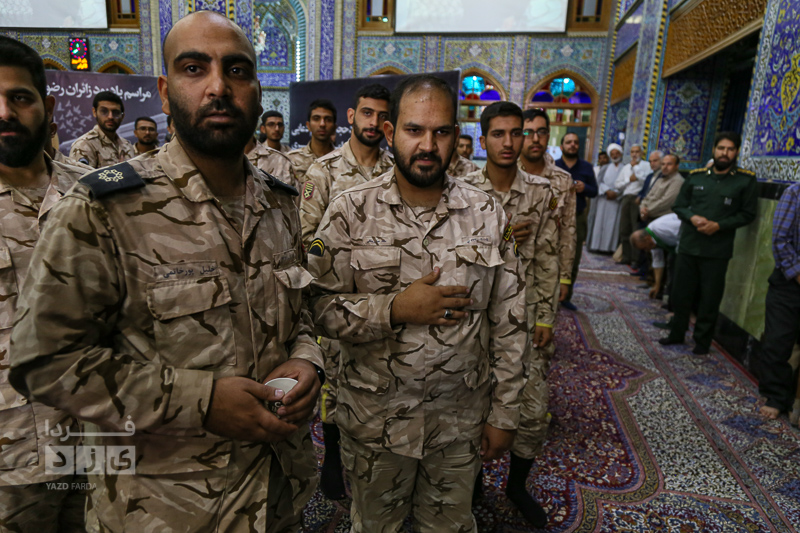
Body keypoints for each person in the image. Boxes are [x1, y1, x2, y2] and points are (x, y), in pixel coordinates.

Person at [9, 12, 324, 532]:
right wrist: (200, 402)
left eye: (237, 71)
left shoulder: (280, 203)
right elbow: (42, 361)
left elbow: (301, 314)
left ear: (256, 91)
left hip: (278, 494)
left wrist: (307, 361)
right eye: (194, 68)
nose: (218, 87)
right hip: (164, 510)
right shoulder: (103, 207)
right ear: (164, 91)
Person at [308, 74, 527, 532]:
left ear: (456, 136)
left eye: (441, 132)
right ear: (390, 133)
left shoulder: (486, 213)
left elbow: (510, 320)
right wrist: (393, 309)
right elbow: (317, 309)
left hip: (458, 422)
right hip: (374, 424)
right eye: (414, 130)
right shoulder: (350, 210)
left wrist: (506, 413)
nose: (428, 145)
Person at [0, 35, 87, 533]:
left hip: (101, 443)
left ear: (47, 107)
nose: (5, 112)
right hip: (11, 462)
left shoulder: (95, 192)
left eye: (19, 97)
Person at [462, 101, 556, 528]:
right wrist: (497, 234)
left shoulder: (540, 190)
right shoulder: (462, 187)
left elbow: (549, 256)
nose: (509, 142)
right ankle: (473, 481)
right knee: (471, 402)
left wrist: (547, 317)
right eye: (498, 134)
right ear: (483, 141)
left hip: (525, 312)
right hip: (474, 311)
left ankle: (517, 485)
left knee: (532, 409)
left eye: (516, 133)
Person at [299, 82, 394, 500]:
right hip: (340, 299)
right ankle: (334, 459)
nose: (374, 122)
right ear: (352, 117)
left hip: (387, 300)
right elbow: (307, 238)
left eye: (382, 116)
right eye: (367, 113)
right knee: (335, 384)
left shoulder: (396, 171)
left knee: (382, 379)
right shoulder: (324, 171)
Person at [658, 132, 757, 355]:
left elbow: (748, 214)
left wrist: (719, 225)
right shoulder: (697, 177)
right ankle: (676, 332)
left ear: (737, 152)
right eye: (721, 148)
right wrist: (692, 217)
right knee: (680, 293)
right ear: (714, 150)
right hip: (689, 245)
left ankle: (702, 341)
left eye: (730, 149)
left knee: (710, 299)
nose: (725, 153)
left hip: (717, 250)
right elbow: (679, 206)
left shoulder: (745, 180)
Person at [518, 109, 577, 309]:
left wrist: (565, 277)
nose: (535, 139)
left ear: (548, 135)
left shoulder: (563, 180)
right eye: (528, 132)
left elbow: (568, 230)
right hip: (509, 270)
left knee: (542, 326)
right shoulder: (507, 174)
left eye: (541, 132)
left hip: (546, 273)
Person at [758, 182, 800, 421]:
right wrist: (798, 273)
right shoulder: (794, 193)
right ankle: (776, 397)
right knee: (778, 341)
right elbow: (780, 240)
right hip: (789, 281)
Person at [556, 132, 598, 310]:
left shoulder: (586, 167)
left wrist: (584, 187)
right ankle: (548, 293)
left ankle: (566, 296)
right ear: (562, 147)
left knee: (573, 256)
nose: (572, 145)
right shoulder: (554, 166)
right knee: (551, 255)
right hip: (556, 218)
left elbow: (594, 191)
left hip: (578, 217)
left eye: (575, 142)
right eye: (568, 142)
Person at [69, 90, 135, 168]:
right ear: (94, 112)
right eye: (104, 111)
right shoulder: (84, 145)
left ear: (122, 116)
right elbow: (81, 175)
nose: (110, 116)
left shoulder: (127, 146)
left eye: (115, 112)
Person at [614, 144, 651, 265]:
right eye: (632, 152)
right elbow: (617, 185)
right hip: (626, 198)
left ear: (642, 153)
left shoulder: (646, 166)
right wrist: (628, 180)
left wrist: (636, 170)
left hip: (638, 199)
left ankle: (636, 259)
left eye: (637, 152)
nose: (634, 154)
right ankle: (626, 257)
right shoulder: (626, 167)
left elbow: (647, 181)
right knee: (624, 228)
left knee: (636, 229)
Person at [630, 213, 680, 299]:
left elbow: (683, 230)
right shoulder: (651, 240)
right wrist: (657, 285)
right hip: (677, 245)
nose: (646, 250)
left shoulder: (660, 228)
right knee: (671, 263)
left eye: (645, 248)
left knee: (674, 264)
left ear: (646, 239)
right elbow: (658, 262)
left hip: (691, 238)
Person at [287, 99, 336, 181]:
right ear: (308, 125)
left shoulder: (343, 160)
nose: (322, 124)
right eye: (316, 119)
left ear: (334, 127)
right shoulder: (291, 159)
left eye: (328, 119)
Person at [587, 143, 624, 252]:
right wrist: (607, 191)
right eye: (612, 154)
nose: (615, 156)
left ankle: (610, 248)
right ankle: (596, 246)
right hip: (604, 199)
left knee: (612, 225)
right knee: (599, 223)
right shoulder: (605, 168)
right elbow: (599, 182)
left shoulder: (625, 168)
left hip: (616, 201)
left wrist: (616, 193)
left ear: (621, 154)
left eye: (617, 153)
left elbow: (626, 184)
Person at [640, 154, 684, 223]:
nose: (665, 167)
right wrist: (642, 209)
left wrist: (647, 211)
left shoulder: (677, 181)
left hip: (664, 220)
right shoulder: (660, 179)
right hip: (650, 217)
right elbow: (647, 197)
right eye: (663, 164)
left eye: (669, 164)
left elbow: (665, 202)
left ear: (676, 166)